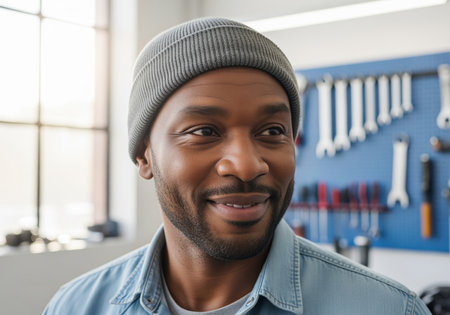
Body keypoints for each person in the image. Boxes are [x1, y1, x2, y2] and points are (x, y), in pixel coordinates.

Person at [43, 17, 431, 315]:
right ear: (144, 155)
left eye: (273, 130)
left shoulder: (388, 309)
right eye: (204, 130)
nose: (247, 165)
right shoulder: (76, 306)